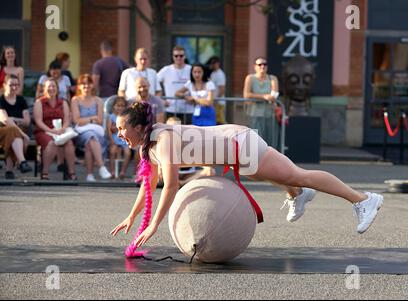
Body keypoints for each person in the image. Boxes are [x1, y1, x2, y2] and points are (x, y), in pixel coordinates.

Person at [110, 101, 384, 249]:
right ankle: (297, 194)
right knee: (272, 176)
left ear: (139, 126)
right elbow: (148, 184)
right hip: (235, 148)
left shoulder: (164, 139)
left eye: (122, 128)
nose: (119, 134)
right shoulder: (150, 145)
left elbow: (169, 187)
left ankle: (362, 199)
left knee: (300, 175)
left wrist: (154, 225)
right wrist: (132, 217)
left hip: (240, 144)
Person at [33, 78, 77, 180]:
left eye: (54, 86)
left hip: (60, 130)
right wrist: (51, 131)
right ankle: (45, 173)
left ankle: (71, 173)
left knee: (69, 143)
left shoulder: (63, 102)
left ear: (57, 89)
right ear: (44, 89)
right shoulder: (39, 102)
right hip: (44, 131)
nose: (51, 88)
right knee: (51, 143)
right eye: (49, 87)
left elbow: (67, 119)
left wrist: (63, 128)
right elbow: (38, 121)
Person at [71, 74, 111, 182]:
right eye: (83, 84)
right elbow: (76, 120)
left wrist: (86, 120)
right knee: (91, 137)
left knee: (91, 141)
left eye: (88, 83)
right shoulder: (75, 100)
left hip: (97, 133)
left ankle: (90, 175)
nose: (86, 86)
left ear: (92, 85)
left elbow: (99, 120)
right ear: (79, 86)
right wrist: (92, 118)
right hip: (80, 133)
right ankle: (101, 167)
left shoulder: (98, 100)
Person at [0, 74, 32, 179]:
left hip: (11, 135)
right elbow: (4, 119)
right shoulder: (1, 100)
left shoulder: (21, 100)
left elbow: (27, 121)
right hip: (1, 132)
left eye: (16, 85)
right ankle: (21, 162)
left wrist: (14, 119)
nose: (14, 87)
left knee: (13, 134)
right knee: (13, 131)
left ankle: (11, 170)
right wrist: (24, 135)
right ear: (4, 85)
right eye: (11, 85)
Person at [243, 57, 279, 147]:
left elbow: (274, 94)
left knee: (270, 140)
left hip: (270, 113)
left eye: (264, 64)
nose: (262, 66)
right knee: (256, 140)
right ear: (255, 66)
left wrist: (267, 97)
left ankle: (270, 160)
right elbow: (246, 94)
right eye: (259, 64)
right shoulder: (250, 78)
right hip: (255, 113)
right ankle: (255, 160)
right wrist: (264, 96)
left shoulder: (272, 78)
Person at [157, 45, 192, 123]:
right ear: (173, 57)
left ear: (185, 56)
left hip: (188, 109)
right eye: (176, 56)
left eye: (181, 56)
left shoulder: (191, 69)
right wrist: (160, 100)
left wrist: (194, 98)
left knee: (188, 134)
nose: (178, 58)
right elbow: (153, 84)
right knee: (171, 134)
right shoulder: (166, 70)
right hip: (171, 109)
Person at [107, 96, 131, 179]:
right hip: (115, 138)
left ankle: (123, 171)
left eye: (122, 106)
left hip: (124, 139)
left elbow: (128, 128)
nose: (120, 108)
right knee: (112, 151)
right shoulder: (111, 117)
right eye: (118, 105)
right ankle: (112, 171)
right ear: (114, 106)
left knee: (127, 153)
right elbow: (109, 129)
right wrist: (112, 141)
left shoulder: (126, 117)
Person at [207, 56, 226, 124]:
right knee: (214, 121)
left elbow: (222, 89)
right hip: (214, 101)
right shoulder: (213, 73)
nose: (212, 65)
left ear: (218, 63)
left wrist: (216, 100)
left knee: (220, 122)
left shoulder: (220, 74)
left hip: (218, 102)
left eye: (214, 63)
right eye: (211, 63)